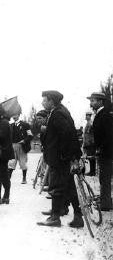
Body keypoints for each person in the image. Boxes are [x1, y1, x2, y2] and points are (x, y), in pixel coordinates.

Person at [37, 90, 83, 228]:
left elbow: (67, 135)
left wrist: (64, 156)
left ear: (51, 101)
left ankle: (55, 217)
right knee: (69, 187)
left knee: (56, 186)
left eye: (44, 100)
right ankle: (78, 217)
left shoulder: (57, 113)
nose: (42, 102)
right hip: (63, 158)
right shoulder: (61, 111)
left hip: (60, 159)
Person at [87, 92, 113, 212]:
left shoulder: (105, 115)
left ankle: (106, 204)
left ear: (101, 101)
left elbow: (109, 136)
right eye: (91, 101)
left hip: (107, 152)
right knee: (103, 177)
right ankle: (105, 200)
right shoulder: (99, 114)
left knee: (105, 178)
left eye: (93, 100)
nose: (91, 103)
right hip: (104, 151)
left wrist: (100, 148)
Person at [0, 104, 14, 205]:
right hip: (0, 152)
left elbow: (0, 136)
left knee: (1, 175)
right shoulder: (1, 122)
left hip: (2, 153)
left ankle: (3, 196)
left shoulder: (4, 123)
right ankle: (1, 196)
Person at [8, 112, 33, 184]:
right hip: (13, 146)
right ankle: (8, 179)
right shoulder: (11, 125)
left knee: (23, 163)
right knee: (11, 162)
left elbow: (30, 135)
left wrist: (24, 141)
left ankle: (24, 179)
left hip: (22, 146)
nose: (13, 116)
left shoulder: (25, 125)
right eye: (12, 115)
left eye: (15, 115)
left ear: (18, 115)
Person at [82, 111, 96, 176]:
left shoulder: (90, 124)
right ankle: (90, 171)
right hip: (87, 143)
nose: (86, 116)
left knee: (90, 158)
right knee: (88, 158)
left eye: (87, 115)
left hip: (89, 144)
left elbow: (91, 135)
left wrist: (89, 143)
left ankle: (91, 172)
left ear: (89, 116)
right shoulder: (88, 123)